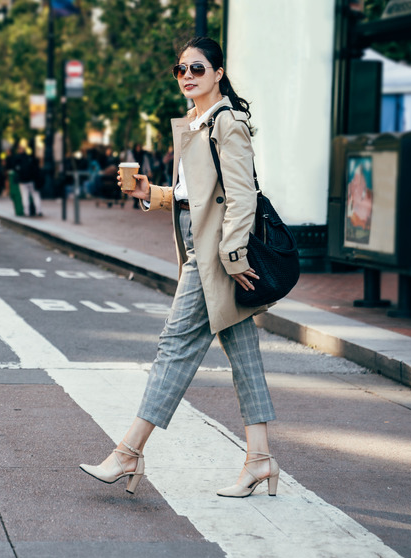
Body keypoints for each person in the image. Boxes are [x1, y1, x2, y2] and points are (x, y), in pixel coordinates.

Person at [79, 36, 278, 498]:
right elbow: (195, 198)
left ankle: (129, 453)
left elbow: (241, 195)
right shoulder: (196, 122)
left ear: (218, 74)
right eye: (181, 70)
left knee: (174, 345)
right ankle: (261, 459)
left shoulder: (227, 122)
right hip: (201, 241)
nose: (187, 76)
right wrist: (152, 193)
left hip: (214, 252)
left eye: (198, 69)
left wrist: (232, 255)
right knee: (243, 352)